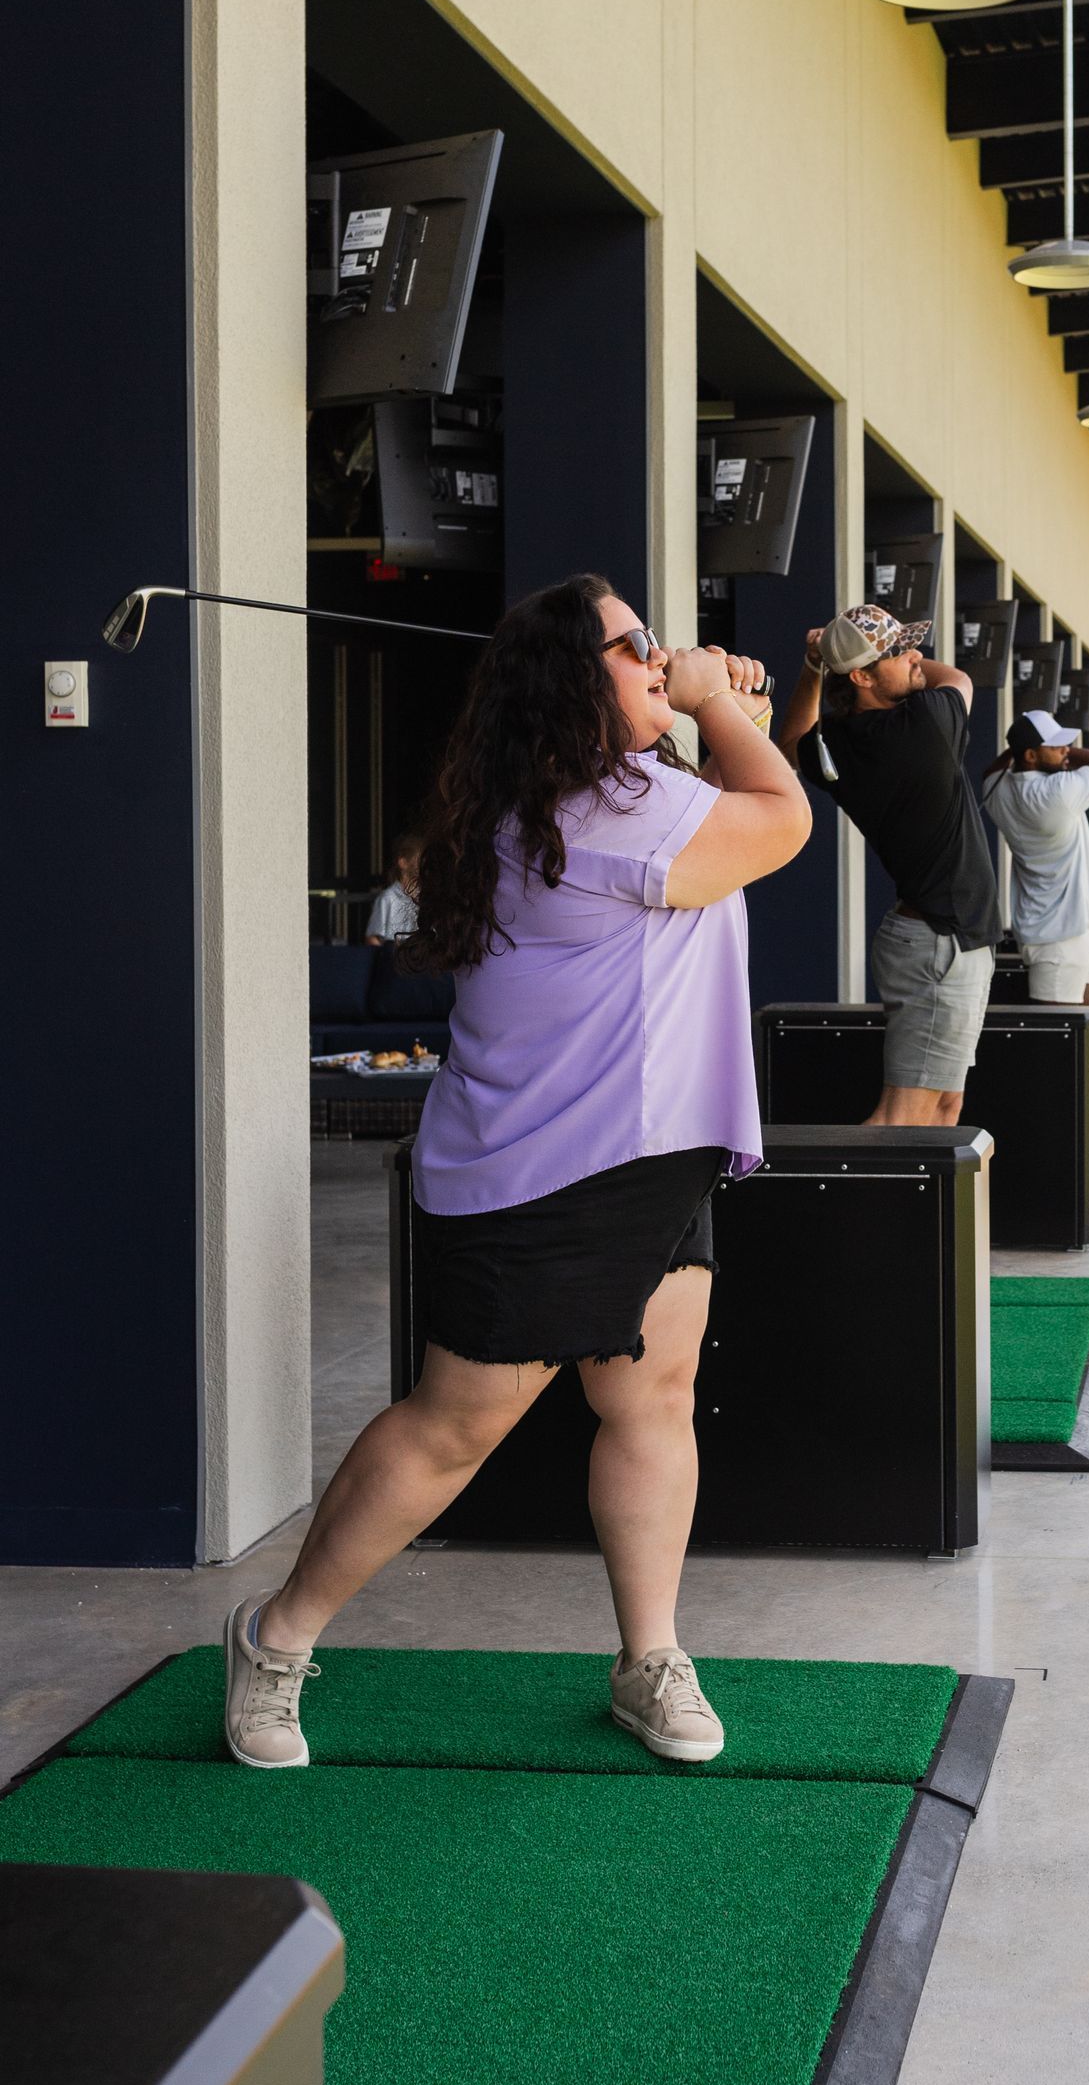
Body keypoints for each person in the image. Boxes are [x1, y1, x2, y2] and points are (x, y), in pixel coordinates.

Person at [224, 574, 812, 1773]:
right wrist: (710, 698)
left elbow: (755, 787)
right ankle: (274, 1638)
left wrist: (711, 703)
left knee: (649, 1396)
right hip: (542, 1171)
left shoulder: (622, 795)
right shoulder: (599, 815)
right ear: (567, 684)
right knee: (449, 1431)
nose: (657, 654)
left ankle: (648, 1658)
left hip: (650, 1150)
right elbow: (781, 820)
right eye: (633, 644)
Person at [776, 603, 998, 1125]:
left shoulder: (840, 744)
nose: (916, 656)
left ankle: (928, 1211)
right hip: (938, 947)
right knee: (903, 1117)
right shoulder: (927, 720)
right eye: (900, 652)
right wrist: (829, 660)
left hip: (944, 942)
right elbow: (958, 676)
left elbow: (788, 746)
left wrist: (814, 667)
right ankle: (853, 1207)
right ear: (862, 676)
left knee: (945, 1104)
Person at [981, 708, 1089, 1003]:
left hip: (1071, 925)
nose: (1066, 750)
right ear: (1030, 756)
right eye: (1056, 746)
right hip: (1058, 938)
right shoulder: (1058, 791)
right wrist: (1036, 750)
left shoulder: (996, 791)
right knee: (1058, 1031)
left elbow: (990, 772)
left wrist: (1029, 747)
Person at [365, 833, 422, 945]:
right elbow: (372, 938)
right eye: (418, 858)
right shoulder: (388, 898)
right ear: (403, 862)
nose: (423, 863)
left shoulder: (427, 896)